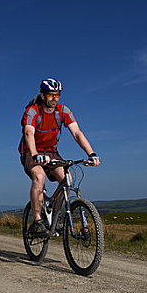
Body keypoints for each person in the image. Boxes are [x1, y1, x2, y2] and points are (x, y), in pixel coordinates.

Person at [18, 78, 100, 237]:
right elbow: (29, 133)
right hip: (30, 151)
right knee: (39, 176)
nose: (54, 99)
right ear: (42, 95)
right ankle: (37, 221)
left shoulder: (64, 111)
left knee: (67, 178)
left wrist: (91, 154)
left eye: (57, 95)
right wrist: (35, 155)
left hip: (51, 152)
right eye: (50, 95)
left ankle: (55, 217)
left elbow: (77, 133)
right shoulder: (33, 111)